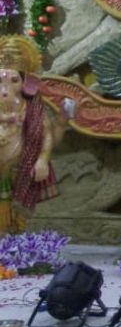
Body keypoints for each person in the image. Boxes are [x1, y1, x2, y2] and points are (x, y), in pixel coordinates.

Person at [0, 36, 58, 234]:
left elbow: (46, 134)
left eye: (14, 80)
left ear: (27, 83)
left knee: (18, 212)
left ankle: (16, 240)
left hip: (20, 167)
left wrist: (42, 159)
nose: (5, 89)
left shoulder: (32, 109)